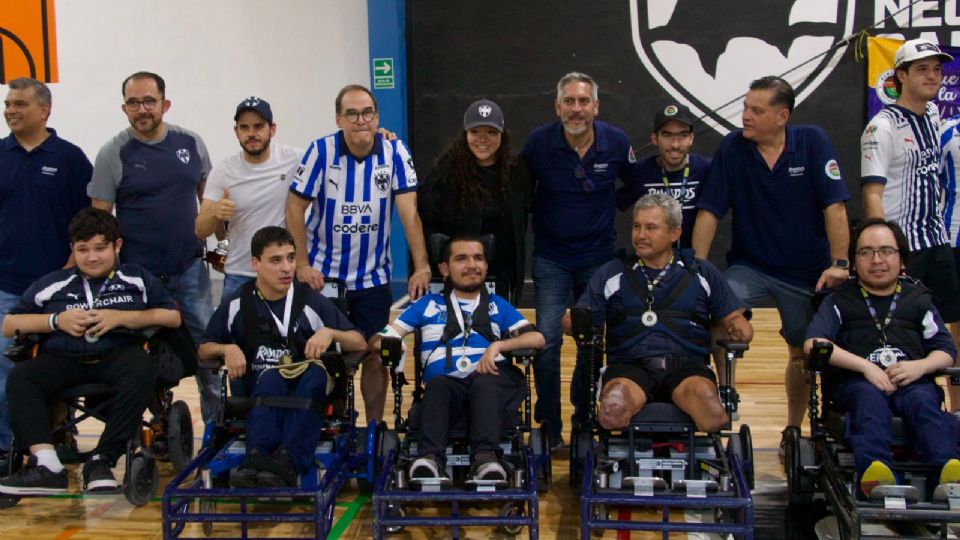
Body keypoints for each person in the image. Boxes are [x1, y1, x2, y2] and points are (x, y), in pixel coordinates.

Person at [691, 75, 850, 444]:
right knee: (718, 312)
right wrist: (697, 269)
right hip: (752, 266)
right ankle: (726, 394)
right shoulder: (733, 147)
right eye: (745, 108)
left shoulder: (812, 142)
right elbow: (710, 211)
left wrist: (840, 264)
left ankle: (794, 428)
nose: (745, 116)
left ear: (782, 116)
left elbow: (835, 207)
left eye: (755, 111)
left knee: (804, 353)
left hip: (804, 271)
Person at [0, 208, 180, 495]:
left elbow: (172, 317)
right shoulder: (53, 283)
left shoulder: (136, 278)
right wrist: (56, 320)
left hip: (118, 355)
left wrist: (122, 318)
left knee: (143, 368)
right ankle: (47, 466)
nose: (92, 257)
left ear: (117, 245)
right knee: (22, 377)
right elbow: (9, 324)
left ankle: (102, 460)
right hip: (65, 359)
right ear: (72, 249)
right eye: (83, 249)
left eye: (100, 248)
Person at [286, 84, 431, 423]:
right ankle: (327, 426)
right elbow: (294, 208)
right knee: (325, 355)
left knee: (375, 354)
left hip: (373, 278)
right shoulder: (320, 152)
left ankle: (375, 430)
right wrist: (302, 264)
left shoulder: (395, 152)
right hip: (324, 278)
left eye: (367, 112)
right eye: (351, 114)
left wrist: (421, 266)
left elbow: (409, 212)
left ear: (376, 116)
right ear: (339, 119)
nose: (360, 120)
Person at [88, 71, 218, 425]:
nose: (142, 109)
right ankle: (155, 424)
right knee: (138, 357)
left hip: (189, 271)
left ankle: (216, 431)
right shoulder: (112, 153)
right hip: (136, 278)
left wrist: (219, 245)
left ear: (165, 103)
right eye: (134, 102)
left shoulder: (190, 143)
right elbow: (100, 221)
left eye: (149, 101)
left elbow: (208, 202)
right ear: (124, 108)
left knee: (207, 351)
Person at [522, 72, 643, 447]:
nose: (577, 109)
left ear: (596, 106)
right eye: (569, 102)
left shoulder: (617, 142)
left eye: (583, 101)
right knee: (548, 341)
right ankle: (551, 425)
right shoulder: (539, 144)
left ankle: (583, 419)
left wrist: (611, 205)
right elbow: (523, 190)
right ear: (558, 107)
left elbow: (635, 184)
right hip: (551, 259)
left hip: (597, 260)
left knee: (591, 342)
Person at [565, 194, 752, 431]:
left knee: (714, 414)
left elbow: (733, 318)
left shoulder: (702, 272)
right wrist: (573, 322)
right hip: (629, 368)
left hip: (687, 368)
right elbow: (578, 316)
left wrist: (740, 328)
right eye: (636, 226)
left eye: (651, 228)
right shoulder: (612, 273)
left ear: (675, 233)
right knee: (613, 410)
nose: (640, 235)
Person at [199, 226, 365, 487]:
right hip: (262, 393)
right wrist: (225, 349)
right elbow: (204, 348)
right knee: (270, 378)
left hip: (306, 391)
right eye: (276, 260)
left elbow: (359, 341)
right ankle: (257, 457)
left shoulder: (311, 301)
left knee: (313, 375)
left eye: (290, 258)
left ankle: (288, 461)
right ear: (255, 263)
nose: (287, 268)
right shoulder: (236, 304)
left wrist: (331, 332)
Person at [804, 218, 960, 497]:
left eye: (886, 251)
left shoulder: (919, 300)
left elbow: (946, 352)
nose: (877, 260)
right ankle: (877, 473)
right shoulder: (838, 300)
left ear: (902, 260)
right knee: (868, 400)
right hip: (856, 385)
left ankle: (948, 471)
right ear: (853, 261)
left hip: (912, 382)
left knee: (924, 401)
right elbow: (814, 344)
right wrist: (865, 367)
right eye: (866, 252)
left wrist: (920, 366)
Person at [367, 235, 544, 480]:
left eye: (478, 258)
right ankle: (430, 459)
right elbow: (378, 340)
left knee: (484, 381)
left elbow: (537, 339)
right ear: (444, 268)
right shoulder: (426, 305)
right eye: (462, 259)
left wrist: (499, 346)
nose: (472, 265)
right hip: (449, 388)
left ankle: (485, 459)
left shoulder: (497, 305)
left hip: (492, 383)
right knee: (438, 384)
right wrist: (389, 343)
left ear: (486, 266)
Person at [862, 39, 960, 414]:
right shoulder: (882, 126)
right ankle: (892, 410)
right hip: (904, 247)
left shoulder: (934, 116)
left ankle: (955, 415)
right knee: (900, 332)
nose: (932, 75)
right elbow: (873, 192)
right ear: (900, 76)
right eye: (922, 69)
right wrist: (884, 250)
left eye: (936, 69)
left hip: (937, 242)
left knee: (952, 330)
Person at [0, 77, 92, 468]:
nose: (11, 111)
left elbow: (89, 223)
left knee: (57, 365)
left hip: (60, 286)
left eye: (20, 104)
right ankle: (9, 447)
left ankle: (57, 433)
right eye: (8, 104)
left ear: (44, 110)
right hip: (7, 286)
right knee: (4, 370)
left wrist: (71, 270)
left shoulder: (70, 158)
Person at [418, 99, 532, 301]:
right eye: (475, 132)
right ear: (465, 135)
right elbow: (427, 221)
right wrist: (438, 261)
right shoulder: (444, 172)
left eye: (491, 132)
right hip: (457, 275)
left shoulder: (516, 169)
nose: (483, 139)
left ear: (502, 135)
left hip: (502, 276)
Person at [195, 96, 302, 301]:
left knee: (288, 332)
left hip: (284, 272)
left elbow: (333, 158)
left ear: (272, 129)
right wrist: (216, 212)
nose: (251, 134)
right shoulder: (223, 170)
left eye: (258, 126)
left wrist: (377, 136)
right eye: (244, 127)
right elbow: (200, 230)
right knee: (232, 333)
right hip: (240, 274)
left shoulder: (295, 158)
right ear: (236, 131)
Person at [616, 102, 709, 249]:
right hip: (651, 260)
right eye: (667, 135)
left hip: (691, 261)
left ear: (691, 138)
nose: (675, 145)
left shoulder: (706, 169)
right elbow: (612, 204)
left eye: (683, 135)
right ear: (654, 138)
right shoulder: (641, 171)